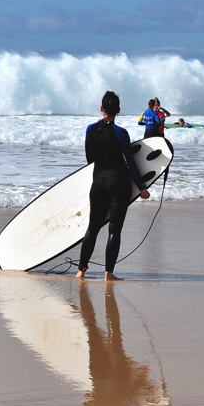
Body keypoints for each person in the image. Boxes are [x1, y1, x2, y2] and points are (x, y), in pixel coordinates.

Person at [76, 91, 151, 282]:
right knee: (114, 230)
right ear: (118, 110)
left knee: (92, 228)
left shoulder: (90, 130)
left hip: (98, 184)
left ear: (102, 109)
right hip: (118, 185)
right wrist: (142, 188)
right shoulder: (121, 133)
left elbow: (89, 160)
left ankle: (80, 271)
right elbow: (131, 163)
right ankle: (108, 275)